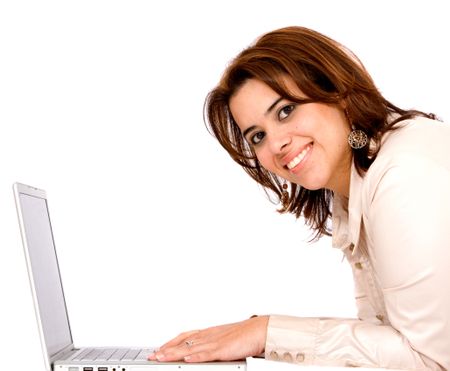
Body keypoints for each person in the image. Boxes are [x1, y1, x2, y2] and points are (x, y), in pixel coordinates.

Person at [148, 26, 450, 369]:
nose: (276, 145)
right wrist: (264, 333)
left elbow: (432, 360)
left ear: (336, 90)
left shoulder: (402, 176)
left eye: (285, 111)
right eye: (258, 135)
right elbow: (386, 338)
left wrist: (267, 334)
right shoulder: (355, 187)